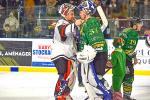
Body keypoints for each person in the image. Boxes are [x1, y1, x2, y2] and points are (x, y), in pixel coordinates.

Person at [52, 3, 80, 100]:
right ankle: (60, 95)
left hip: (68, 55)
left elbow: (75, 40)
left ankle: (64, 94)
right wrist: (74, 25)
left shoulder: (68, 24)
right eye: (71, 13)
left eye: (73, 13)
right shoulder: (61, 23)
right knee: (65, 76)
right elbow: (64, 33)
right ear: (65, 14)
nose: (73, 15)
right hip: (61, 54)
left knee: (71, 77)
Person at [77, 0, 109, 86]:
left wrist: (80, 52)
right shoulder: (91, 22)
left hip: (97, 54)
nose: (79, 13)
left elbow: (84, 42)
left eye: (81, 11)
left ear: (87, 11)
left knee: (96, 78)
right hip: (97, 54)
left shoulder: (89, 23)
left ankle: (108, 93)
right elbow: (105, 23)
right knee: (94, 78)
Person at [119, 18, 143, 100]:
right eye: (140, 24)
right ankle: (125, 96)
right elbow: (128, 50)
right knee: (128, 77)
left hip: (120, 57)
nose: (141, 26)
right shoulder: (133, 33)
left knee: (121, 76)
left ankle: (113, 93)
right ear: (135, 26)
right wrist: (134, 57)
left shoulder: (126, 30)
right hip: (125, 59)